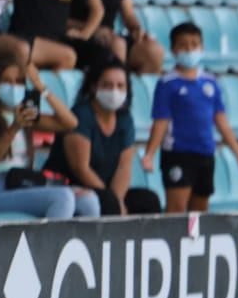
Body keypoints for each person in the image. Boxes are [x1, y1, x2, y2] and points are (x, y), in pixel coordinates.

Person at [142, 21, 238, 213]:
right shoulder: (168, 83)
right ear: (174, 49)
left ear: (201, 47)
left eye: (194, 45)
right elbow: (161, 121)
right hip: (178, 153)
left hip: (205, 153)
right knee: (176, 208)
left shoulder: (211, 82)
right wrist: (150, 154)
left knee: (200, 211)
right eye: (184, 45)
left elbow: (221, 121)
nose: (189, 50)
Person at [43, 57, 162, 215]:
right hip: (71, 188)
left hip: (105, 191)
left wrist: (118, 200)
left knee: (149, 200)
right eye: (107, 85)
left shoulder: (125, 119)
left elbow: (124, 167)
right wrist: (112, 200)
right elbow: (81, 168)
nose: (114, 91)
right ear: (94, 87)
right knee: (108, 202)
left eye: (120, 86)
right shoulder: (81, 115)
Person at [0, 55, 95, 218]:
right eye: (6, 81)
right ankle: (51, 243)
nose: (13, 86)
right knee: (62, 198)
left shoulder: (25, 115)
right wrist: (13, 128)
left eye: (19, 81)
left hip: (23, 181)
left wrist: (41, 87)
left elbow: (70, 122)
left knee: (89, 200)